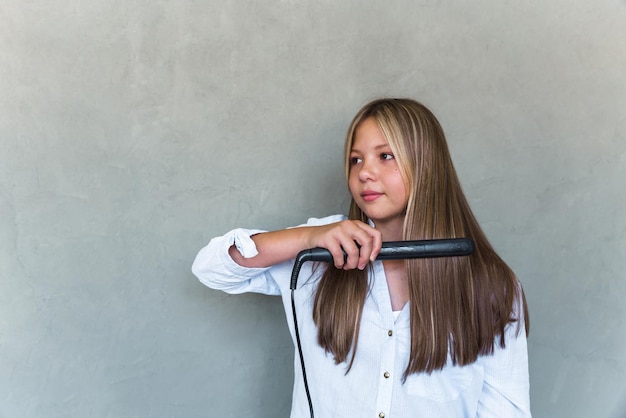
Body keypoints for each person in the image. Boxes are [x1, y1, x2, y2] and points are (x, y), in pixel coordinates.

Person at [192, 98, 531, 417]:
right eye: (356, 159)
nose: (365, 172)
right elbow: (212, 268)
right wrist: (308, 238)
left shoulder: (490, 285)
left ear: (426, 164)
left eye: (385, 156)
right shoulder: (318, 255)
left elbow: (505, 410)